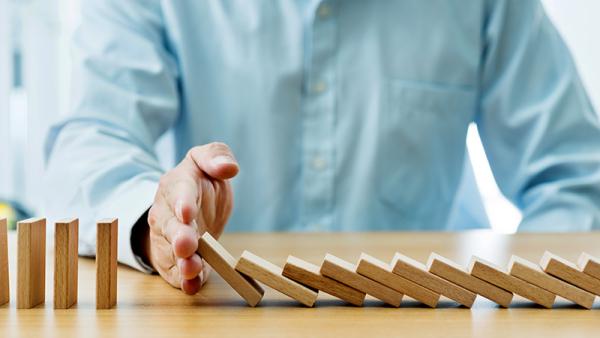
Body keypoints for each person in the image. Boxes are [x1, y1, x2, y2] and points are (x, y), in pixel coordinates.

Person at [44, 0, 600, 295]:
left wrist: (525, 298)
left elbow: (576, 176)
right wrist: (155, 222)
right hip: (214, 308)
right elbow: (89, 142)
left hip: (430, 314)